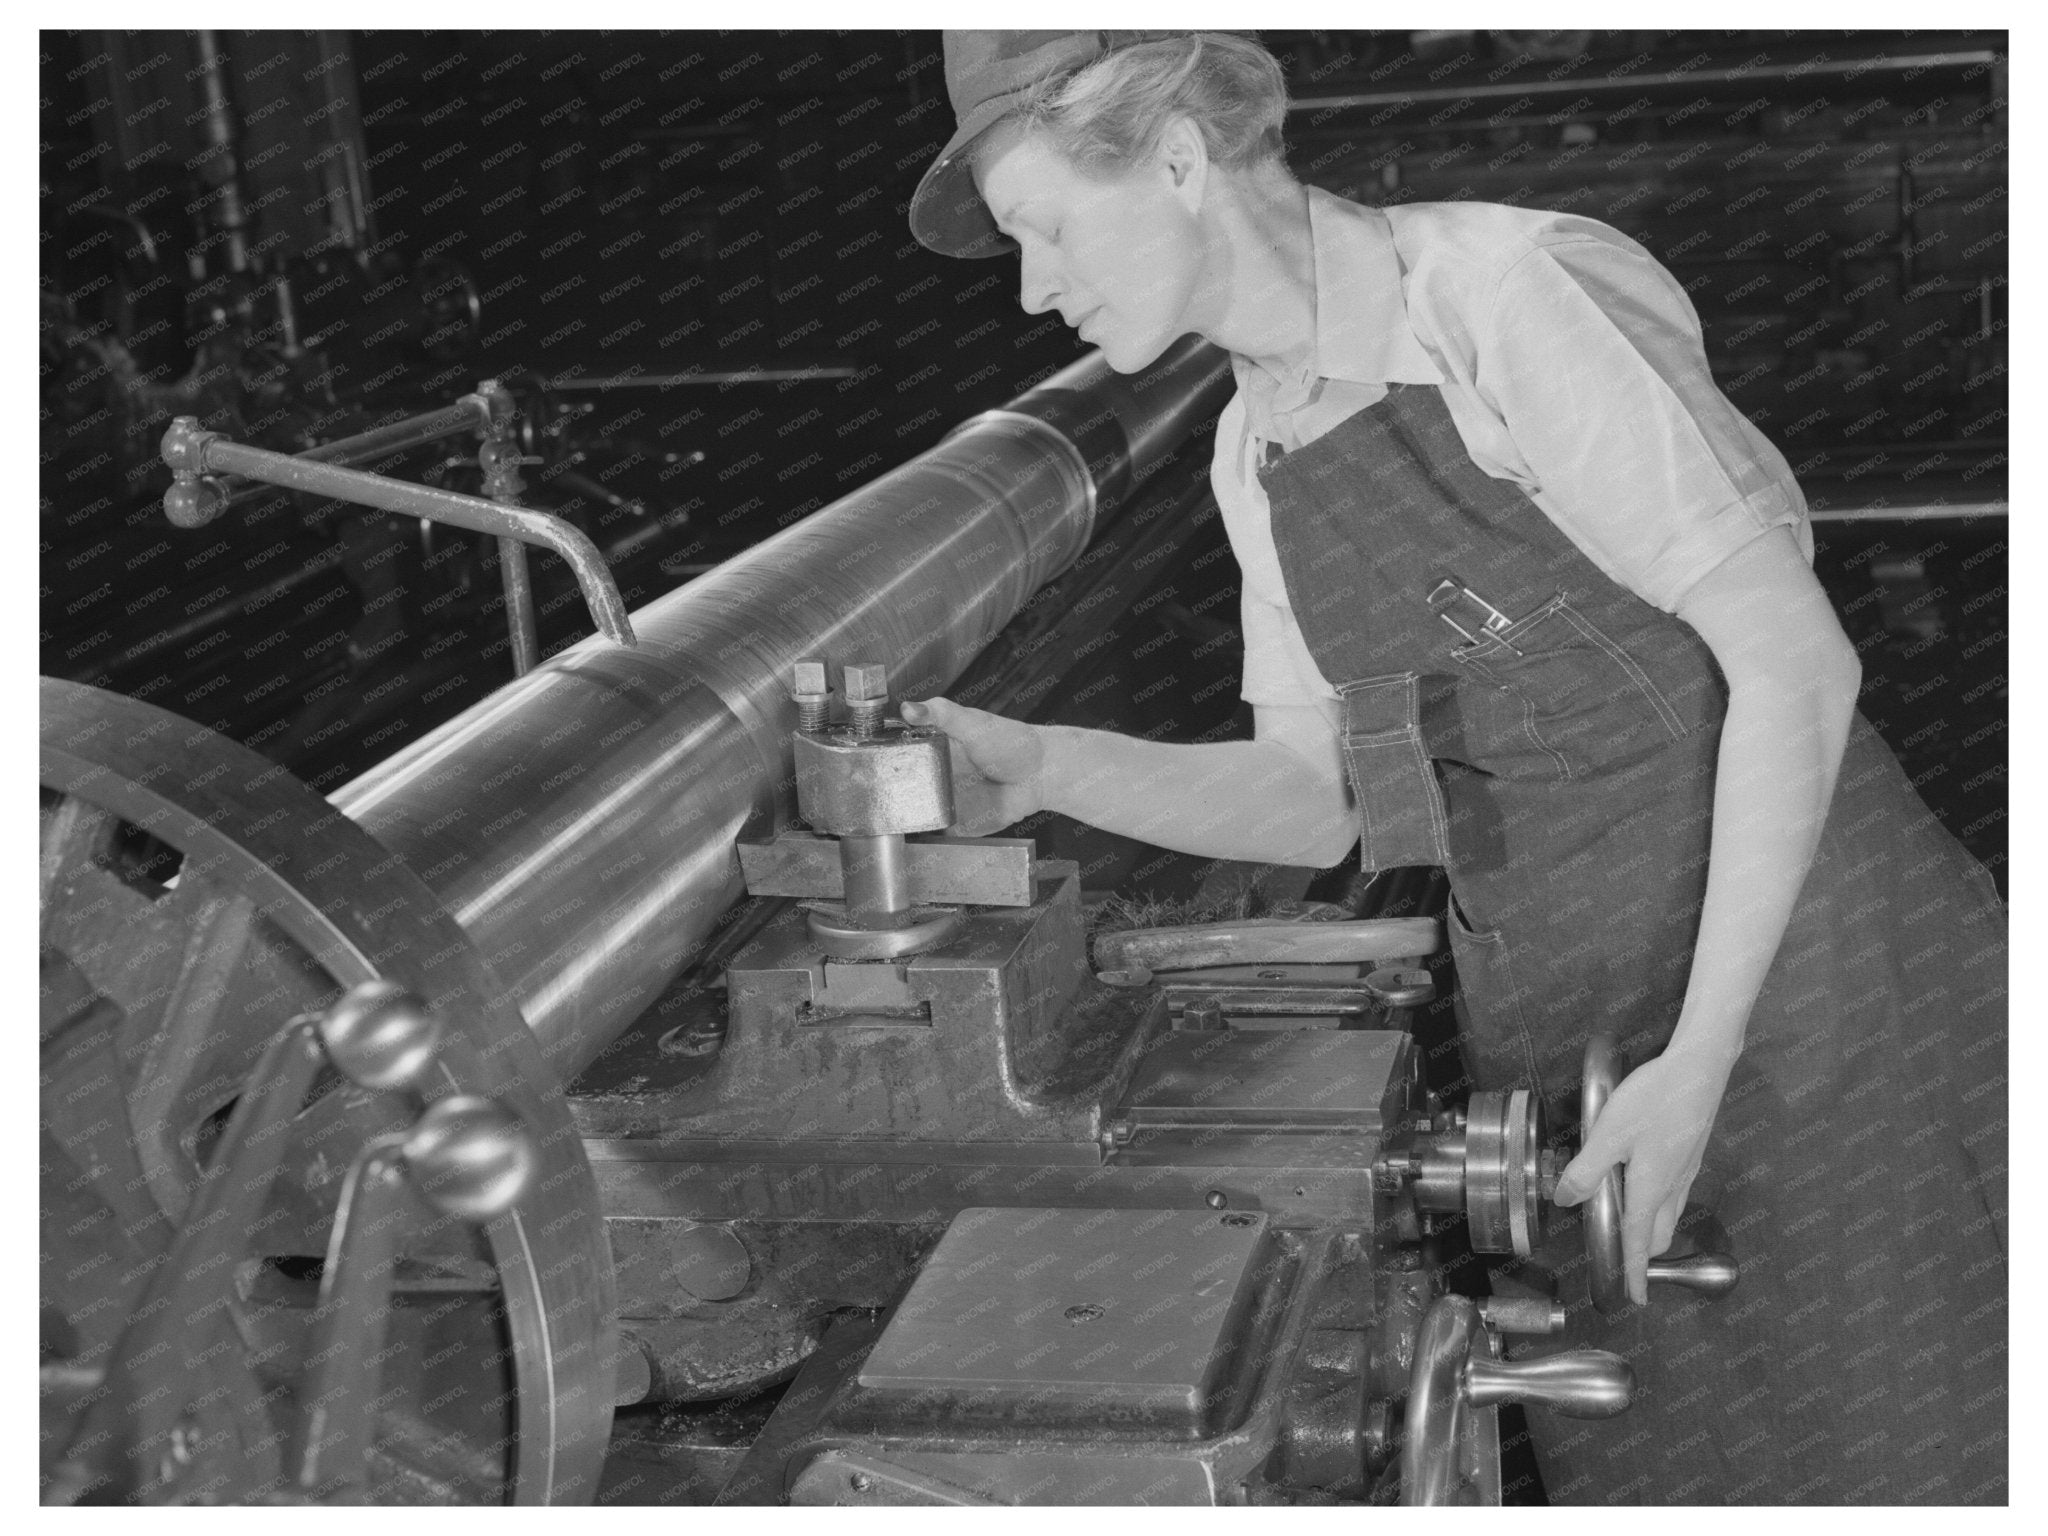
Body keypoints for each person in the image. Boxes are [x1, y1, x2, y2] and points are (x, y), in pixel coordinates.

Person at [897, 30, 2008, 1505]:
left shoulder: (1495, 299)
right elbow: (1321, 797)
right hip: (1573, 1039)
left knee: (1908, 1434)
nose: (1035, 288)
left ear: (1175, 158)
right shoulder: (1256, 448)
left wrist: (1702, 1061)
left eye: (1043, 228)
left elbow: (1798, 665)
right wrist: (1040, 764)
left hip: (1808, 988)